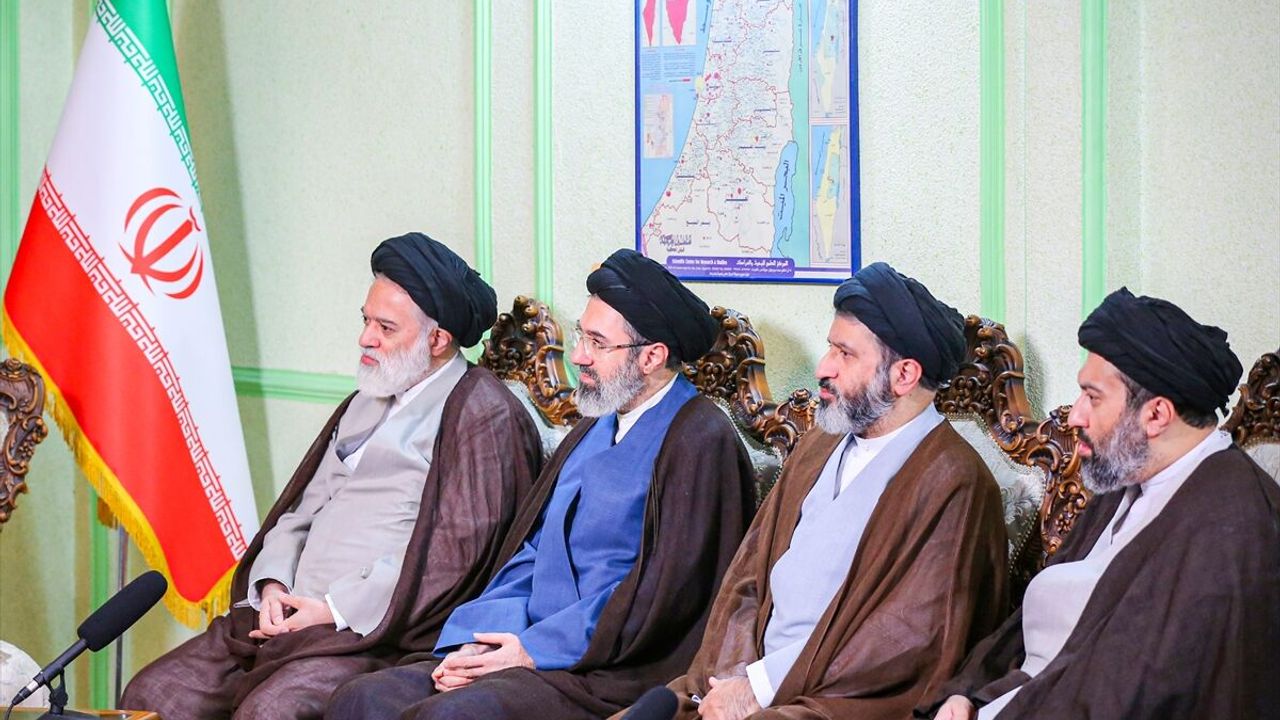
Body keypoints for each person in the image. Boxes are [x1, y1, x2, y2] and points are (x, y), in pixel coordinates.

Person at [120, 232, 543, 720]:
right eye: (366, 320)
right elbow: (301, 510)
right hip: (283, 616)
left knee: (270, 712)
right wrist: (273, 586)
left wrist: (333, 610)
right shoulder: (370, 395)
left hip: (371, 632)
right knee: (152, 694)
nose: (366, 338)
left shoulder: (483, 415)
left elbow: (453, 562)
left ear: (437, 340)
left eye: (385, 327)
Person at [326, 248, 757, 720]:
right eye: (581, 335)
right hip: (522, 638)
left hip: (605, 665)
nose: (578, 356)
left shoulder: (699, 439)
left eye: (597, 343)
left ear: (652, 356)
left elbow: (665, 597)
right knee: (363, 697)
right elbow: (531, 551)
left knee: (452, 716)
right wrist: (481, 641)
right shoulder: (595, 424)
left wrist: (532, 650)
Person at [633, 262, 1009, 720]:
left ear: (904, 375)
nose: (822, 367)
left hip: (839, 701)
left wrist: (761, 689)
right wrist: (729, 676)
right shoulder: (820, 443)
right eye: (830, 347)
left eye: (844, 354)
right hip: (744, 680)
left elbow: (906, 642)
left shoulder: (955, 482)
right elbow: (748, 574)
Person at [922, 287, 1280, 719]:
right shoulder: (1129, 480)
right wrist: (967, 695)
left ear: (1156, 415)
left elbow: (1144, 693)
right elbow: (1035, 636)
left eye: (1092, 397)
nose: (1074, 416)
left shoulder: (1233, 526)